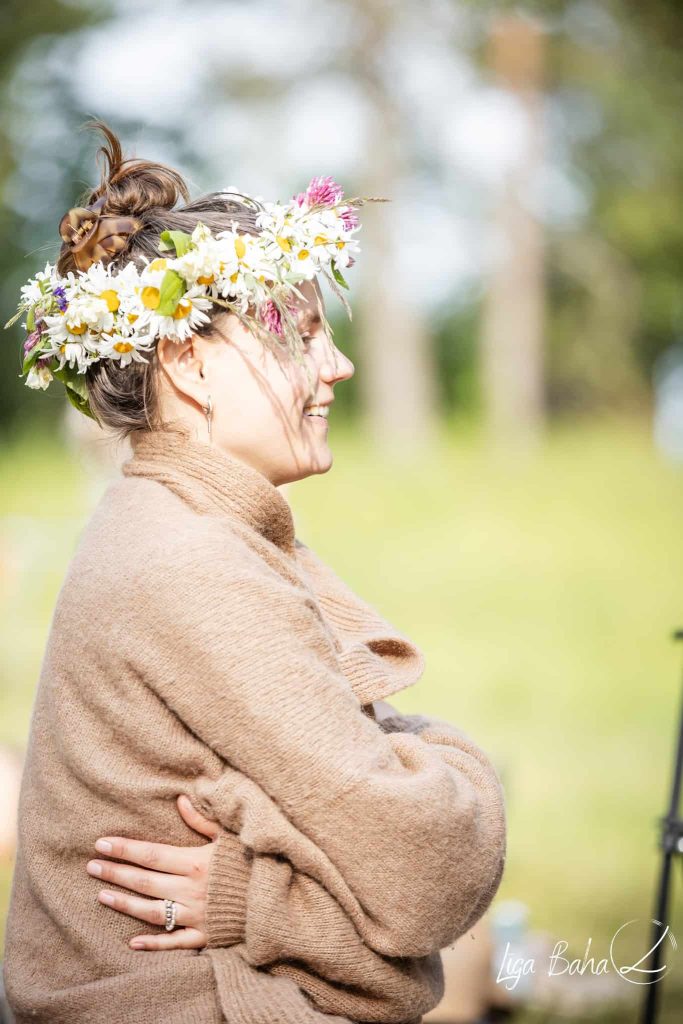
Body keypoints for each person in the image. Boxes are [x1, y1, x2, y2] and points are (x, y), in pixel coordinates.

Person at [2, 121, 507, 1024]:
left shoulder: (177, 525)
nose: (337, 365)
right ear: (190, 362)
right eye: (299, 335)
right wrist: (451, 764)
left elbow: (401, 877)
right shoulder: (189, 561)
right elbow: (430, 863)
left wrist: (256, 893)